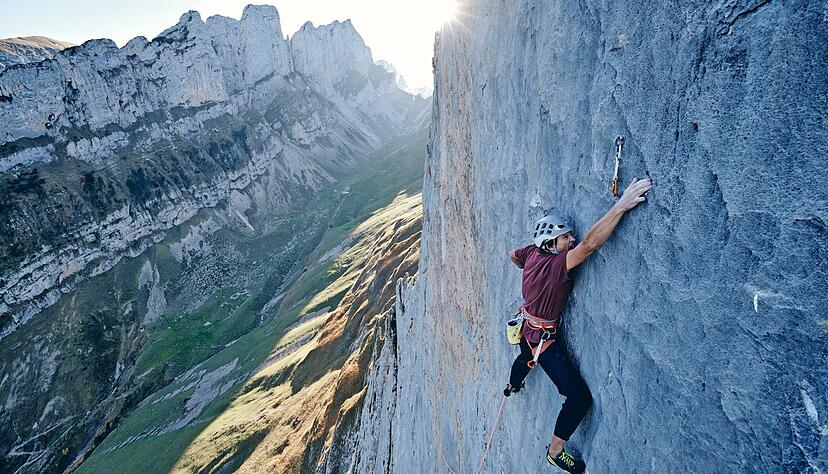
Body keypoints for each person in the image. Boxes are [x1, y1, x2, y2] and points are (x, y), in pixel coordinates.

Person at [506, 177, 653, 473]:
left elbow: (514, 255)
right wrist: (621, 205)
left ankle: (512, 386)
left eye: (570, 237)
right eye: (566, 238)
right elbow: (591, 244)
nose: (571, 240)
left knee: (524, 356)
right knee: (578, 398)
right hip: (544, 342)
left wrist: (527, 271)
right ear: (551, 243)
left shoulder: (532, 253)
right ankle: (555, 451)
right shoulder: (554, 265)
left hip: (526, 329)